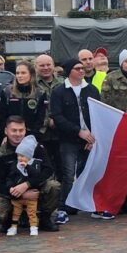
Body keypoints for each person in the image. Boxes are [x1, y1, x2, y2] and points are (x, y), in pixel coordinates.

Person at [0, 117, 61, 233]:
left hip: (35, 190)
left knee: (54, 186)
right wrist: (22, 195)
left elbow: (48, 170)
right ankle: (10, 219)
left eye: (21, 130)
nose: (17, 134)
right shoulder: (0, 154)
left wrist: (28, 184)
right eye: (14, 130)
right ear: (6, 131)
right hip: (11, 193)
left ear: (25, 130)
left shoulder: (36, 148)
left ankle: (43, 218)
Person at [50, 57, 99, 223]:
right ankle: (63, 208)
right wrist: (78, 131)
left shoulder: (91, 90)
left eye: (82, 68)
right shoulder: (59, 91)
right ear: (69, 71)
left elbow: (97, 114)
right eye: (77, 68)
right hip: (68, 139)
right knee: (68, 174)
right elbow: (57, 116)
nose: (81, 70)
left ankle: (84, 203)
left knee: (86, 173)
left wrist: (92, 136)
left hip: (88, 139)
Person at [0, 134, 51, 237]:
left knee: (32, 212)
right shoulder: (15, 165)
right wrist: (11, 188)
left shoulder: (35, 163)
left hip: (32, 195)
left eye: (23, 156)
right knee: (16, 212)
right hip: (17, 196)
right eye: (18, 155)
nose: (20, 158)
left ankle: (34, 226)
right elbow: (9, 177)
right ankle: (13, 226)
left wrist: (27, 168)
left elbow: (38, 175)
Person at [0, 60, 46, 140]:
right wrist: (5, 135)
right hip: (11, 135)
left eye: (23, 73)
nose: (19, 76)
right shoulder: (7, 91)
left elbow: (42, 118)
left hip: (32, 136)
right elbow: (2, 116)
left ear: (31, 74)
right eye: (17, 73)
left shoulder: (39, 93)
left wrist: (34, 136)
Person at [33, 54, 62, 177]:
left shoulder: (63, 82)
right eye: (42, 65)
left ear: (53, 66)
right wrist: (48, 121)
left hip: (61, 134)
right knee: (43, 170)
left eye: (48, 64)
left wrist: (58, 121)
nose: (45, 68)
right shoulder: (31, 84)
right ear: (35, 67)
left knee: (63, 170)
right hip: (40, 134)